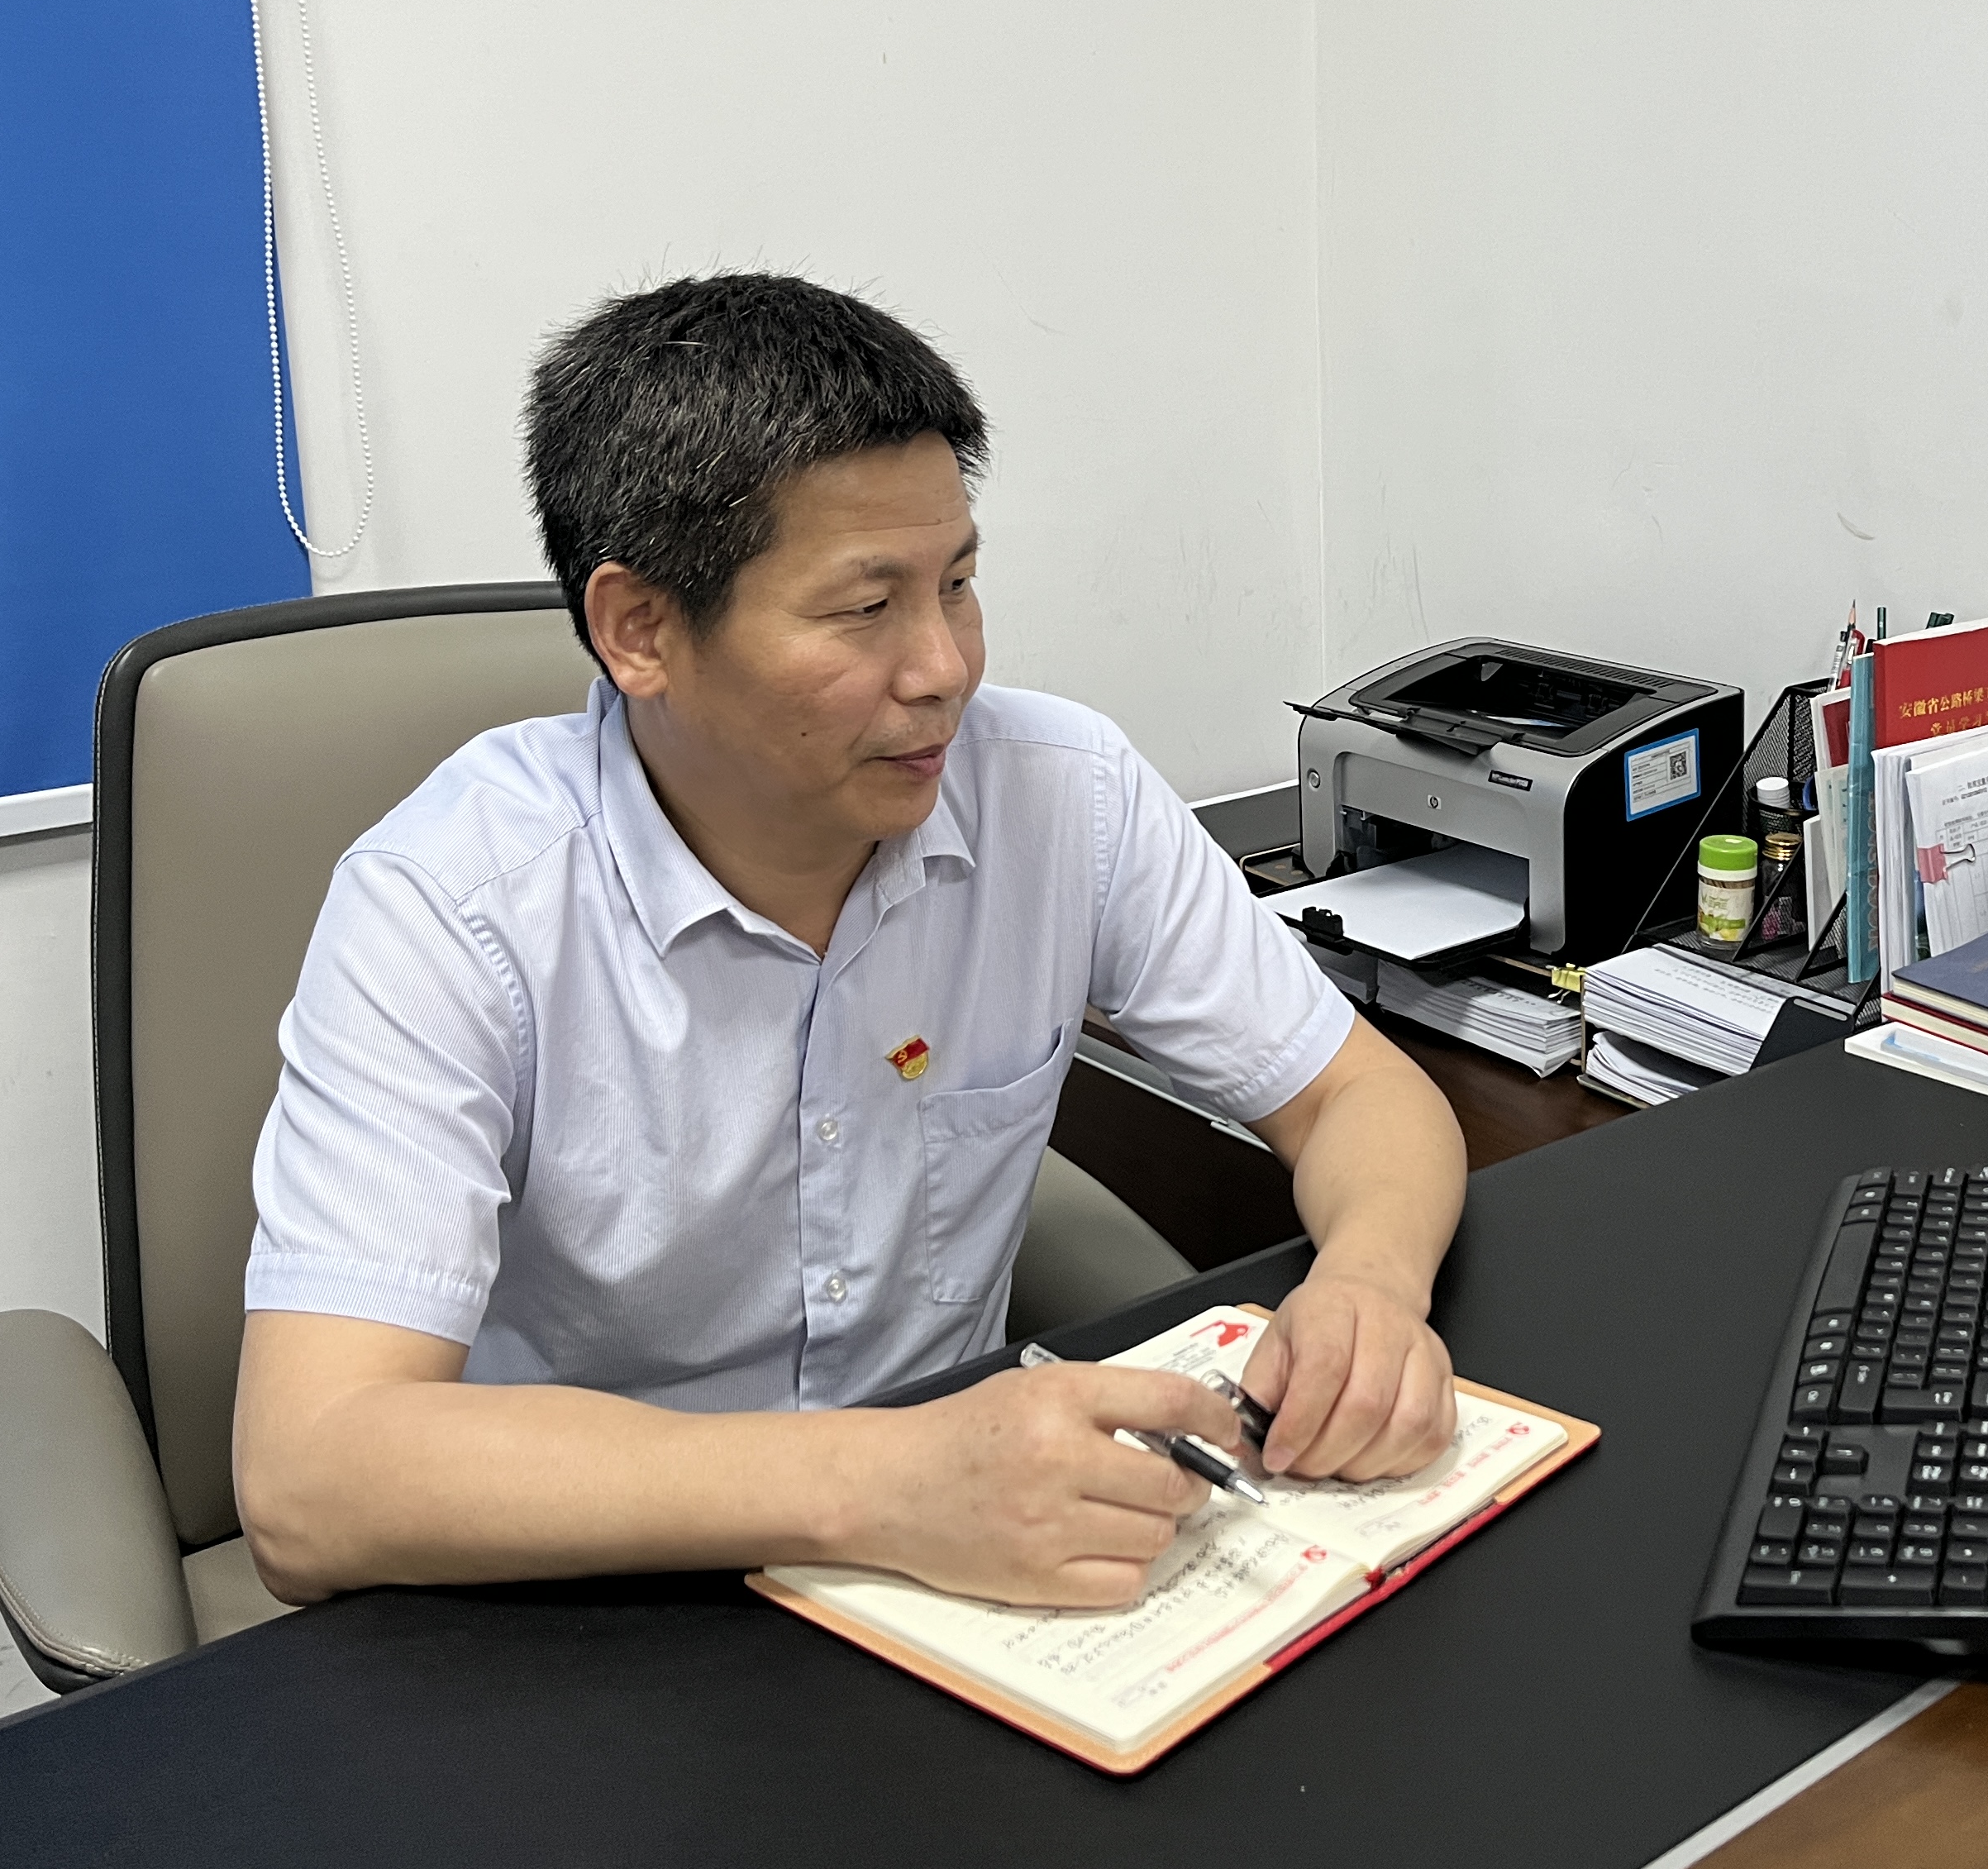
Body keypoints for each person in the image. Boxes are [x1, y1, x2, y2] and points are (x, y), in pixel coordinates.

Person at [232, 274, 1466, 1611]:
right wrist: (885, 1483)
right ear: (640, 630)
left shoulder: (1063, 794)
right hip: (591, 1587)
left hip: (961, 1560)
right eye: (865, 608)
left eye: (959, 584)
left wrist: (1369, 1285)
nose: (944, 669)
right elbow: (311, 1480)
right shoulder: (453, 904)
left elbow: (1354, 1094)